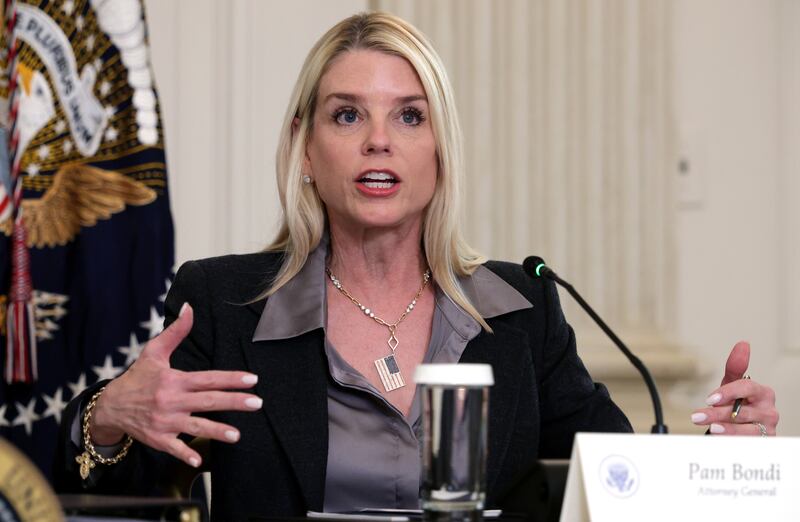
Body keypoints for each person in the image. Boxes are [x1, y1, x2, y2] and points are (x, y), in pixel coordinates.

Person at [55, 11, 779, 521]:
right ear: (306, 150)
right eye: (347, 115)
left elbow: (615, 482)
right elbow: (135, 495)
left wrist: (719, 461)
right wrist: (108, 420)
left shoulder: (520, 308)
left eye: (409, 115)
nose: (379, 141)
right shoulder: (224, 302)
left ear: (441, 148)